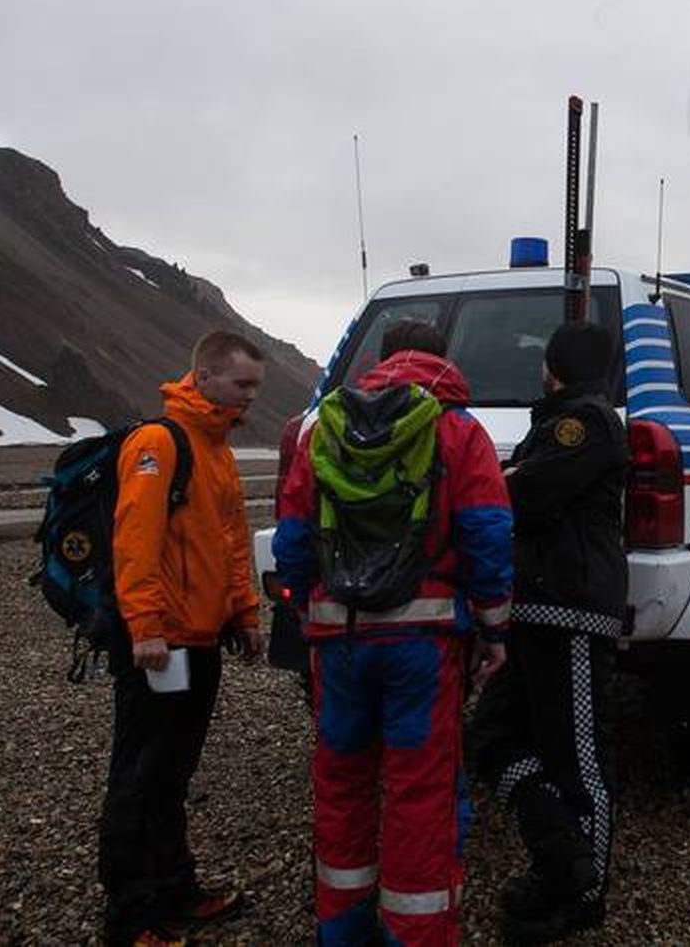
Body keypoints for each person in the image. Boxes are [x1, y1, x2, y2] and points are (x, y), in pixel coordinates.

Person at [272, 320, 513, 946]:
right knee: (420, 792)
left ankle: (343, 932)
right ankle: (416, 935)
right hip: (424, 646)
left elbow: (293, 535)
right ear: (440, 361)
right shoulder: (459, 430)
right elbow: (487, 533)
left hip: (338, 639)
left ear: (380, 362)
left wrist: (303, 607)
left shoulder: (322, 428)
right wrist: (493, 627)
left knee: (342, 780)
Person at [100, 330, 266, 947]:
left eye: (255, 388)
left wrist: (244, 614)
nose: (249, 398)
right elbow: (133, 540)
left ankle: (174, 887)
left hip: (199, 639)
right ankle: (129, 915)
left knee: (172, 772)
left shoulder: (215, 447)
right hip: (157, 644)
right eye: (241, 385)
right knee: (139, 777)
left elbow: (228, 538)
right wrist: (144, 627)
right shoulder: (159, 443)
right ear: (203, 378)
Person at [470, 320, 629, 943]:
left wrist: (475, 489)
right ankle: (561, 855)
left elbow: (525, 495)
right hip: (533, 607)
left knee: (578, 755)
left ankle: (583, 892)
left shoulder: (583, 423)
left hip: (572, 610)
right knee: (493, 739)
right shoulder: (559, 420)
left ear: (553, 366)